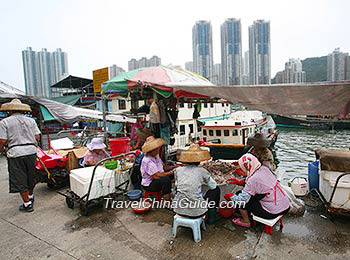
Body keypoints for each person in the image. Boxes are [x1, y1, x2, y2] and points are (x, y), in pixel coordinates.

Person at [227, 153, 290, 228]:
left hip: (272, 213)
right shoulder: (264, 169)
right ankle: (245, 213)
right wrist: (239, 183)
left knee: (241, 200)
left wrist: (231, 197)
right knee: (245, 195)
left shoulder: (253, 179)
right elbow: (258, 185)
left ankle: (246, 222)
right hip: (285, 206)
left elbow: (242, 199)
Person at [0, 99, 41, 212]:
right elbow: (37, 136)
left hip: (15, 153)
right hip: (31, 151)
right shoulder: (31, 121)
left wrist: (2, 150)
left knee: (20, 178)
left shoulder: (5, 122)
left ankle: (27, 204)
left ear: (11, 110)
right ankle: (31, 196)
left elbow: (2, 140)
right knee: (31, 175)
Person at [172, 144, 220, 223]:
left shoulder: (178, 170)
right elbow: (213, 186)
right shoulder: (202, 171)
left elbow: (178, 185)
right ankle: (212, 217)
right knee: (216, 190)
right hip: (196, 212)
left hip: (178, 208)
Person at [140, 136, 176, 201]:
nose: (158, 150)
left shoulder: (156, 156)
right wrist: (172, 172)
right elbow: (157, 176)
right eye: (156, 149)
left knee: (171, 176)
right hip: (149, 184)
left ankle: (167, 192)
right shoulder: (147, 161)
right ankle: (167, 201)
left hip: (156, 179)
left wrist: (173, 167)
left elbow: (164, 167)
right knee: (166, 180)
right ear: (151, 151)